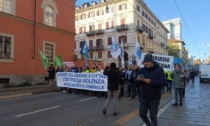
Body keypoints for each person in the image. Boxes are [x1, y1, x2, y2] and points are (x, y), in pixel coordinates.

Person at [136, 54, 167, 126]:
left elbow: (164, 82)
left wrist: (151, 81)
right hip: (144, 97)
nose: (145, 63)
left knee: (153, 118)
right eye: (145, 62)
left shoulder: (159, 70)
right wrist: (138, 80)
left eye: (147, 62)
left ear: (152, 61)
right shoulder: (142, 70)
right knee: (142, 114)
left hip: (154, 98)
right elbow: (136, 82)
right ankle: (148, 124)